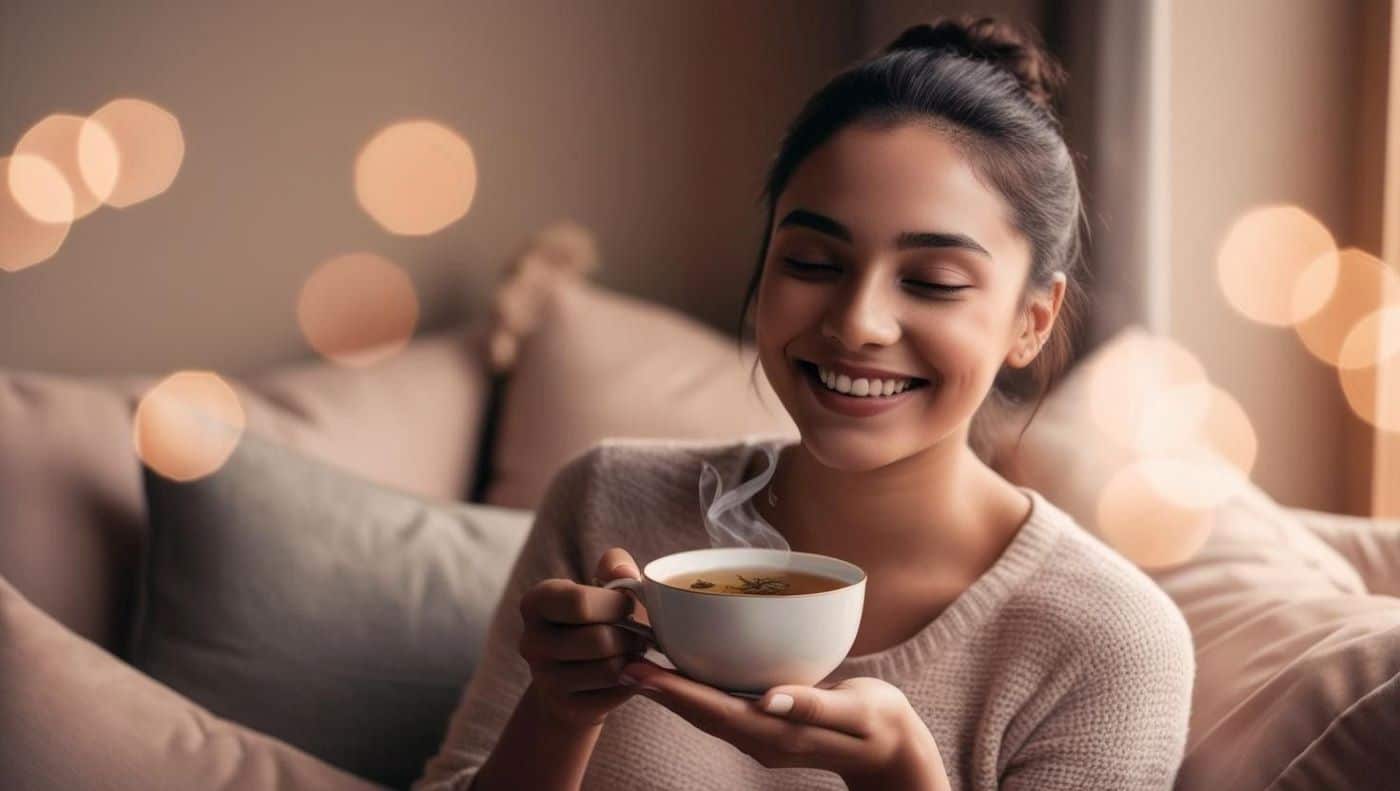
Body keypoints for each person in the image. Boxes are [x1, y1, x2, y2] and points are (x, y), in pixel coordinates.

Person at [414, 15, 1194, 791]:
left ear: (1033, 320)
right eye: (814, 261)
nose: (858, 321)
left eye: (932, 282)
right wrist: (557, 712)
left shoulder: (1110, 642)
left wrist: (904, 779)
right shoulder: (606, 502)